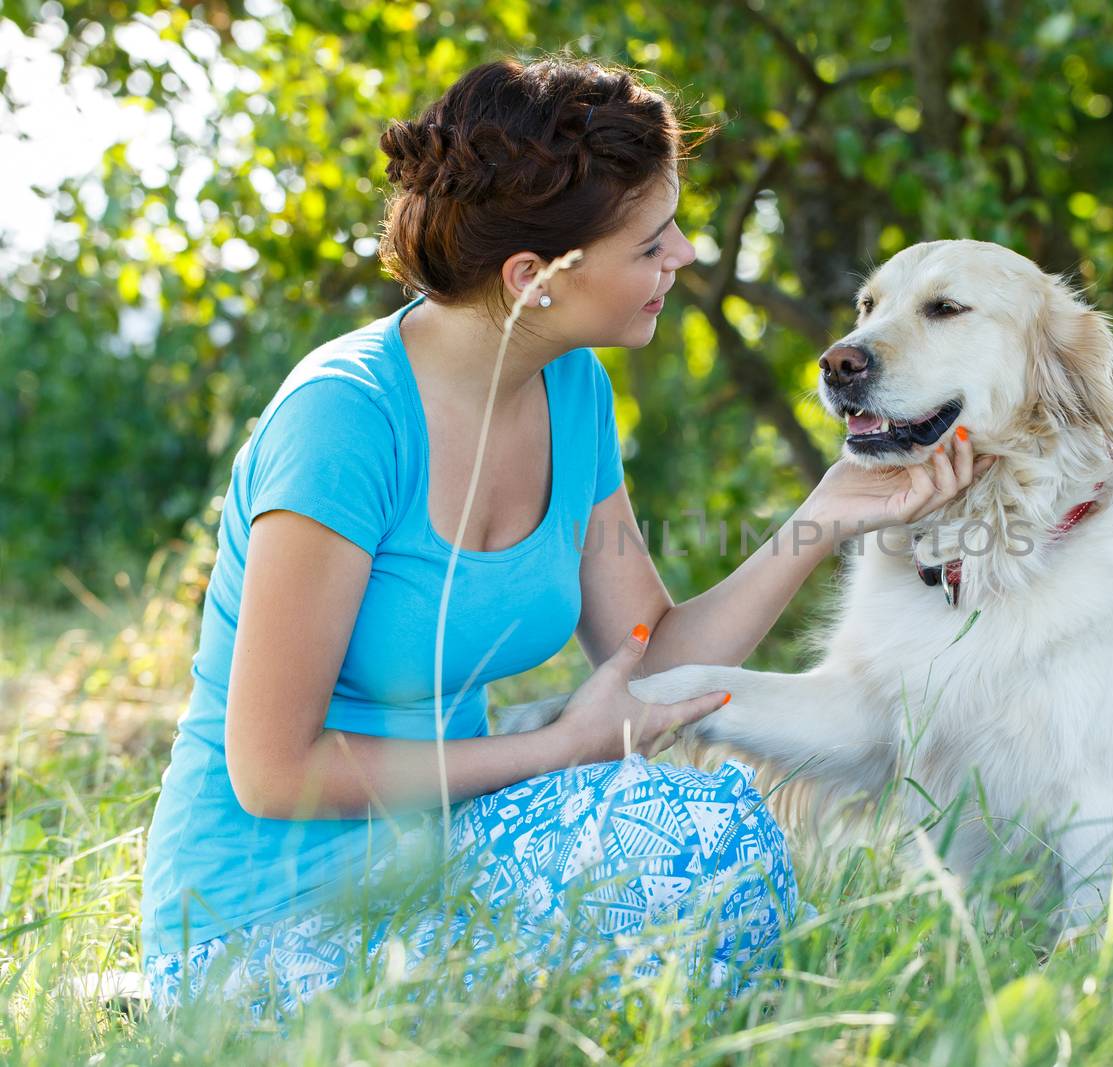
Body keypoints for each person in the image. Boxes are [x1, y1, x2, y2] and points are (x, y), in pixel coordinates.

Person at [139, 54, 990, 1019]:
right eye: (651, 243)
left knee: (711, 825)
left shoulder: (570, 389)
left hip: (438, 861)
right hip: (253, 925)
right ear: (532, 278)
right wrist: (562, 748)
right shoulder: (343, 422)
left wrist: (829, 514)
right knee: (685, 839)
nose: (687, 257)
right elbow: (273, 770)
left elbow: (651, 653)